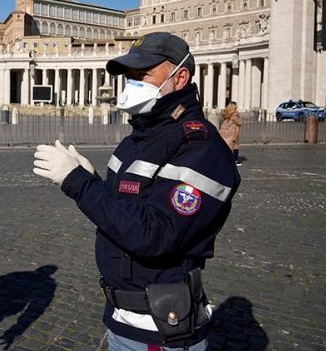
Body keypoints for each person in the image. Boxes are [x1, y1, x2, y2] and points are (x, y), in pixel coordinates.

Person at [33, 32, 240, 351]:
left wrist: (79, 183)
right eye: (130, 77)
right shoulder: (138, 139)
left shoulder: (201, 147)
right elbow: (124, 210)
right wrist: (94, 179)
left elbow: (155, 234)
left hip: (161, 328)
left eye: (143, 76)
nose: (132, 85)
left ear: (179, 77)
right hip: (123, 317)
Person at [219, 102, 242, 166]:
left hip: (224, 131)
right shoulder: (235, 115)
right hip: (232, 133)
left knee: (225, 146)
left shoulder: (225, 114)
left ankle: (223, 159)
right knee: (235, 147)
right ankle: (235, 161)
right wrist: (238, 115)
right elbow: (240, 123)